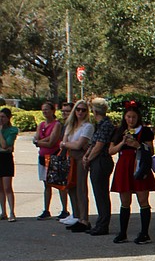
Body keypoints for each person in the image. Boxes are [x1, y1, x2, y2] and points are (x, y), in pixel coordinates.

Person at [109, 101, 155, 244]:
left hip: (139, 164)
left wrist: (137, 145)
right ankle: (123, 232)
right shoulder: (119, 131)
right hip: (124, 166)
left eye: (133, 117)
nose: (131, 120)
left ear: (138, 118)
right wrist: (123, 143)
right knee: (125, 200)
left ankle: (144, 233)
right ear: (125, 117)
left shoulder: (145, 131)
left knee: (143, 199)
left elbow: (151, 150)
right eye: (128, 117)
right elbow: (110, 150)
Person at [59, 99, 94, 231]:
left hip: (80, 159)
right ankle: (77, 215)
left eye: (83, 110)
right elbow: (64, 142)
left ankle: (84, 219)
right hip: (70, 157)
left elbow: (79, 145)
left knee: (81, 188)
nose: (80, 112)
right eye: (78, 109)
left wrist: (66, 144)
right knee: (70, 187)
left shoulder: (88, 126)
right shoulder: (70, 125)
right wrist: (67, 144)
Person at [84, 98, 115, 235]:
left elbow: (99, 146)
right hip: (97, 160)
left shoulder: (105, 125)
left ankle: (103, 224)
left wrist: (88, 159)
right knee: (98, 193)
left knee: (101, 193)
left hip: (101, 160)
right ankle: (100, 222)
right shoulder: (100, 124)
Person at [33, 102, 69, 220]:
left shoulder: (57, 124)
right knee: (46, 184)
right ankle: (46, 209)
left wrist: (39, 142)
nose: (44, 112)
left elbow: (52, 142)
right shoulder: (41, 124)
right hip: (42, 157)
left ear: (53, 110)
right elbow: (37, 138)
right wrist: (41, 141)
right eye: (43, 110)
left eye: (47, 109)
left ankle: (64, 209)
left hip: (53, 156)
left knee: (58, 184)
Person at [0, 107, 18, 221]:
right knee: (0, 188)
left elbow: (6, 145)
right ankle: (3, 211)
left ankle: (12, 212)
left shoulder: (12, 130)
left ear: (8, 118)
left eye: (3, 117)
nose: (1, 119)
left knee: (7, 187)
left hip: (6, 160)